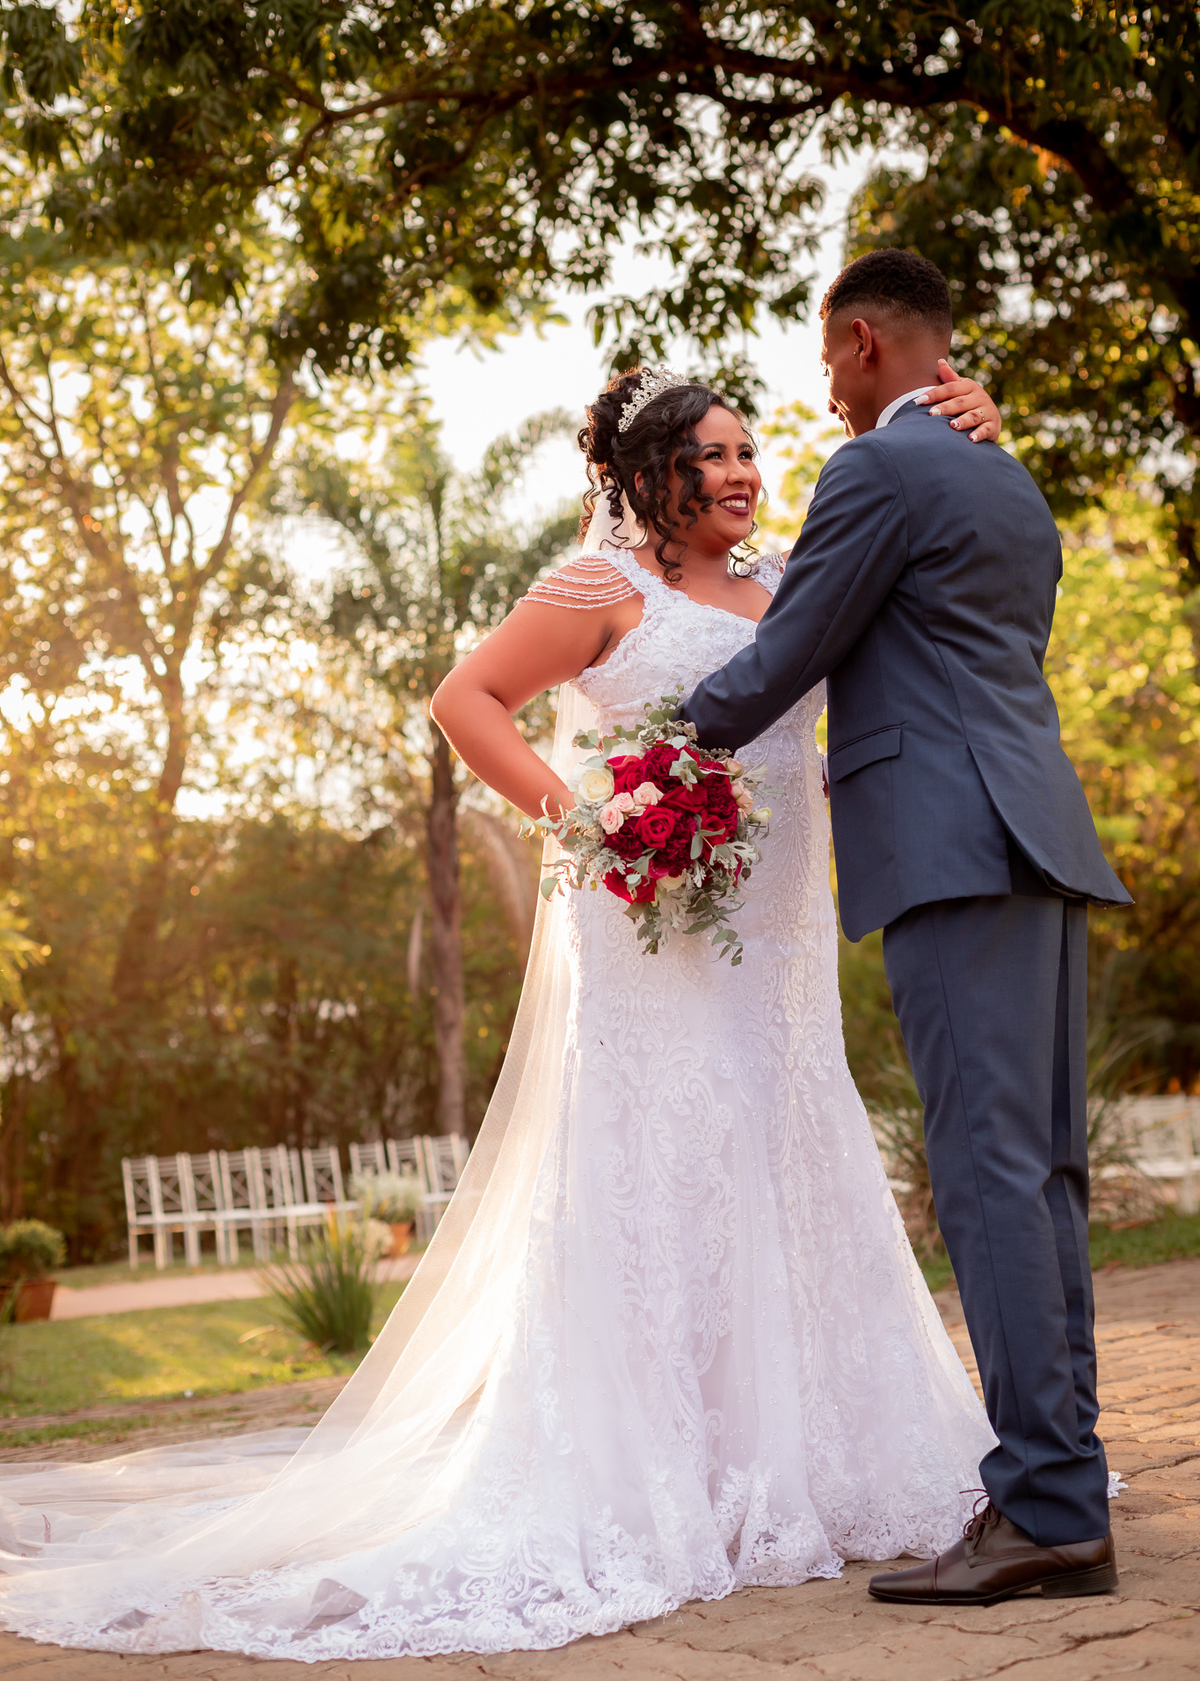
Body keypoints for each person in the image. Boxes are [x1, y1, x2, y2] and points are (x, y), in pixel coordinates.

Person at [0, 358, 1003, 1659]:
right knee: (670, 1162)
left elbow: (904, 556)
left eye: (753, 450)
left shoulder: (789, 578)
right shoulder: (602, 585)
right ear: (647, 475)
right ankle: (660, 1470)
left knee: (784, 1143)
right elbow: (466, 700)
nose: (746, 473)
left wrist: (963, 415)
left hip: (774, 928)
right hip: (647, 919)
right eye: (714, 454)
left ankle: (808, 1454)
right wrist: (585, 815)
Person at [681, 248, 1131, 1606]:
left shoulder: (879, 467)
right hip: (1037, 835)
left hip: (948, 847)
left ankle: (1048, 1507)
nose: (824, 389)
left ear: (869, 341)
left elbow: (795, 643)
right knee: (1042, 1173)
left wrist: (658, 742)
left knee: (991, 1177)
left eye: (828, 359)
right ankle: (1062, 1488)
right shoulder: (1006, 474)